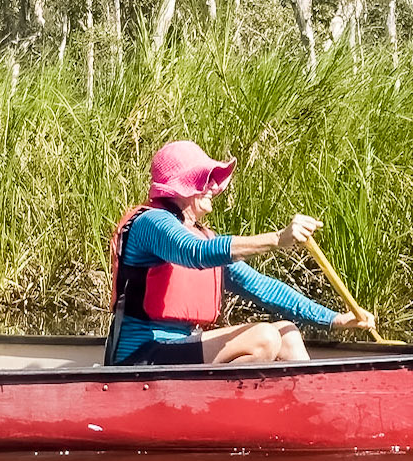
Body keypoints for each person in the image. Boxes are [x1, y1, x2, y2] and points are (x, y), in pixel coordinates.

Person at [107, 139, 375, 366]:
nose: (214, 187)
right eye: (205, 179)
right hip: (138, 358)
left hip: (179, 347)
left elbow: (262, 287)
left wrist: (335, 319)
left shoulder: (204, 234)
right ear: (182, 186)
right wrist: (278, 239)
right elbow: (194, 253)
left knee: (288, 333)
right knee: (265, 337)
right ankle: (221, 412)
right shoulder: (151, 223)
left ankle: (312, 411)